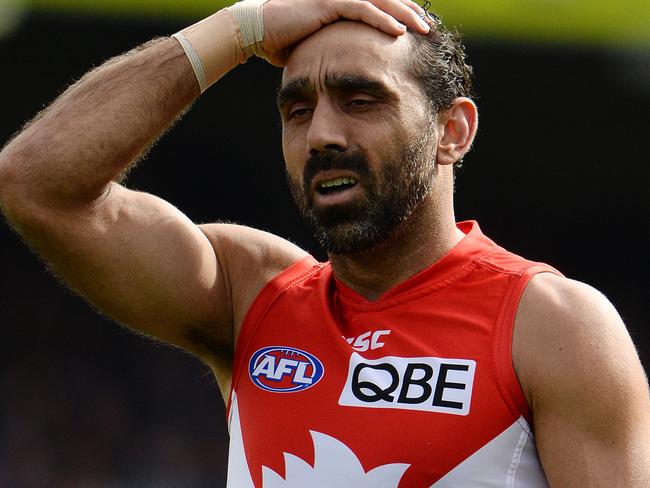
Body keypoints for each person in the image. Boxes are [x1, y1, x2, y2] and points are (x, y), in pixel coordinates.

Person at [0, 0, 648, 485]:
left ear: (453, 130)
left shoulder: (551, 326)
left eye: (361, 99)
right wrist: (240, 27)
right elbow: (36, 183)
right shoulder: (249, 295)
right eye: (296, 109)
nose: (322, 135)